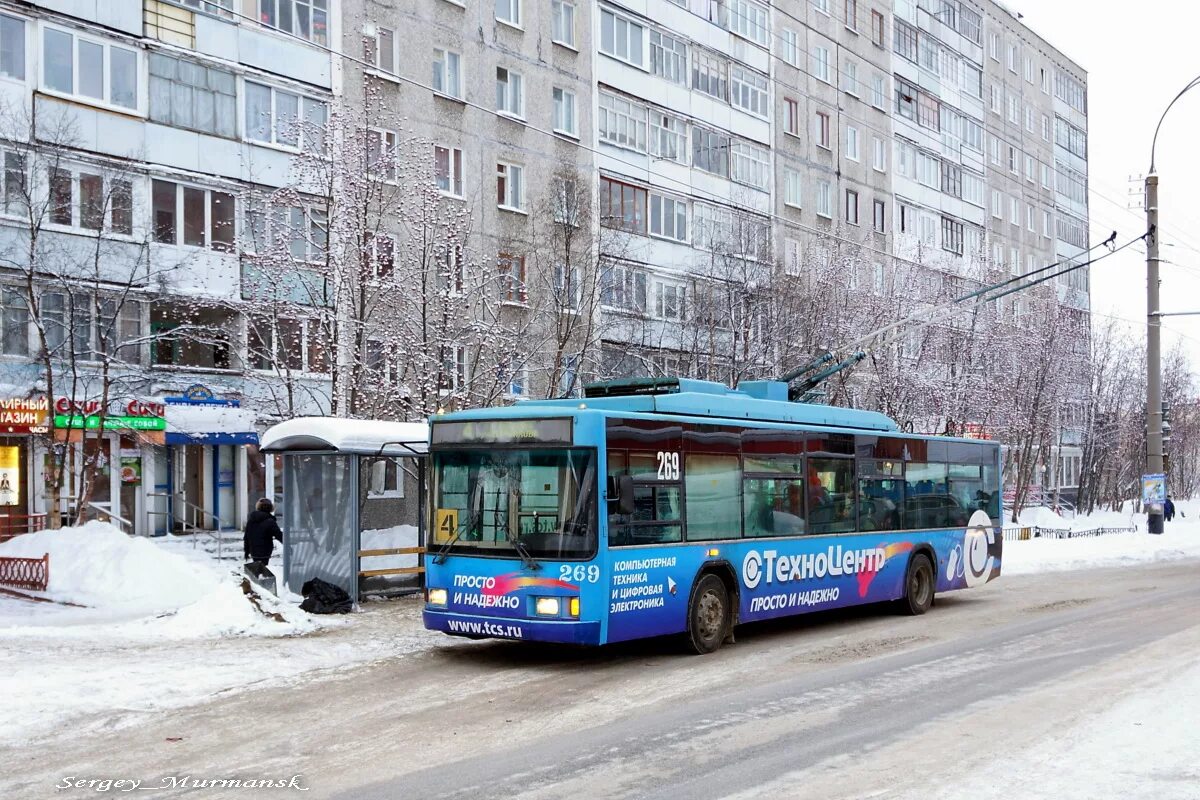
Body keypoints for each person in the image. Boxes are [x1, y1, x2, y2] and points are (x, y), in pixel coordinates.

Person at [244, 497, 283, 568]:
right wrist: (287, 544)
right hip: (265, 551)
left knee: (258, 568)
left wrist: (247, 551)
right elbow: (278, 535)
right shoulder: (270, 521)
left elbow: (246, 536)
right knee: (263, 568)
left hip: (254, 550)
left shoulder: (251, 519)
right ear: (271, 508)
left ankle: (259, 577)